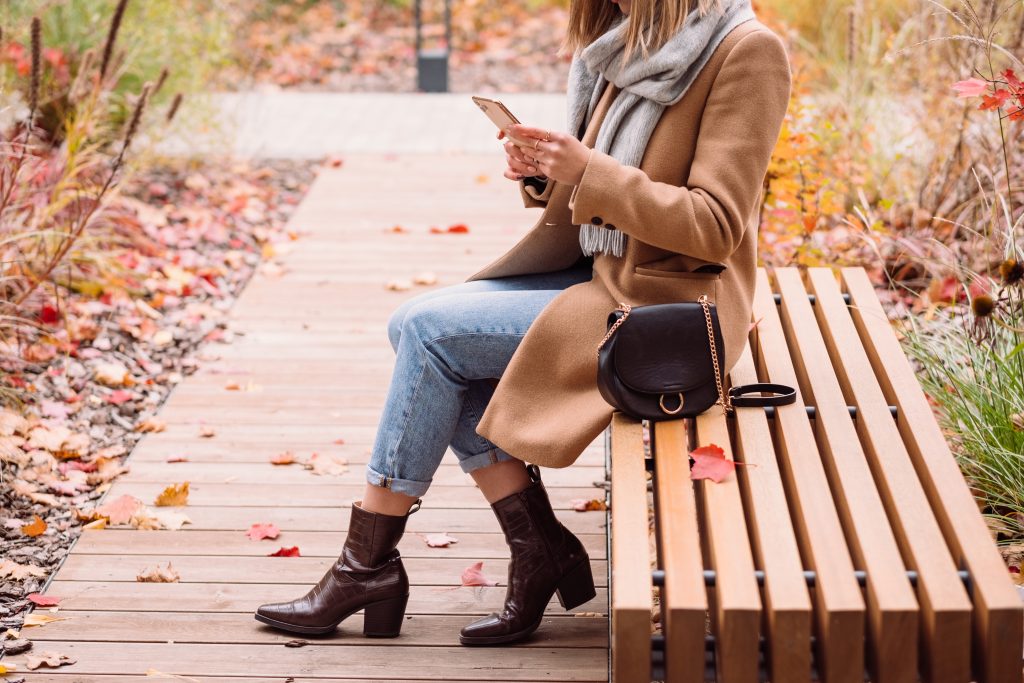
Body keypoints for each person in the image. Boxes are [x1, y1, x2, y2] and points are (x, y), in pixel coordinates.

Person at [254, 0, 791, 647]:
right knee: (415, 326)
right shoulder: (634, 41)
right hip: (604, 272)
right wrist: (548, 174)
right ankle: (537, 546)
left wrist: (586, 170)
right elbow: (606, 181)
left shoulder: (745, 51)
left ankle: (366, 567)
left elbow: (713, 225)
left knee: (429, 335)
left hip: (669, 307)